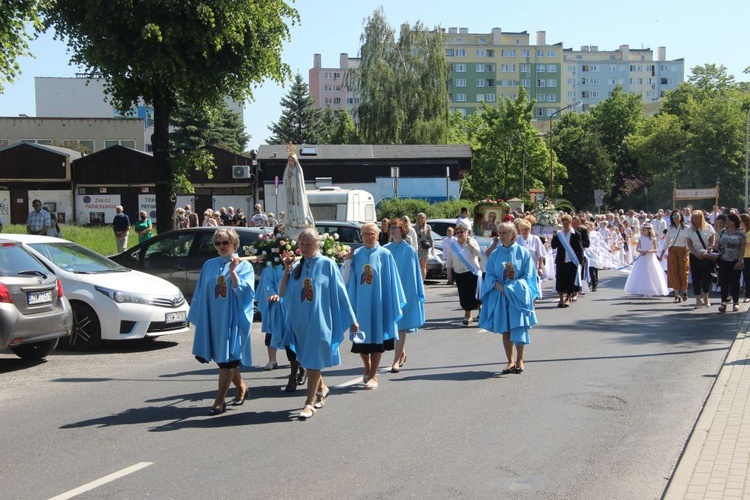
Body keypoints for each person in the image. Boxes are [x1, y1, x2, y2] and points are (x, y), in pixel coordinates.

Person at [279, 228, 359, 419]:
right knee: (308, 361)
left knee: (313, 362)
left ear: (317, 244)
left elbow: (341, 293)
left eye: (309, 244)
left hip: (320, 321)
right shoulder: (298, 266)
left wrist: (352, 319)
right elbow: (282, 292)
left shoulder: (327, 264)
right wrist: (287, 269)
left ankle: (309, 403)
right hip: (300, 323)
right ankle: (322, 389)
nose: (305, 248)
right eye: (302, 244)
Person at [189, 228, 255, 415]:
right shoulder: (209, 265)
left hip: (231, 318)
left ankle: (219, 400)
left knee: (228, 361)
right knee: (223, 359)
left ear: (234, 243)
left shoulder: (244, 265)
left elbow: (246, 293)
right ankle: (241, 387)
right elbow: (202, 292)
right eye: (218, 243)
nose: (221, 246)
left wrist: (233, 272)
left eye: (225, 242)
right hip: (213, 317)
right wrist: (201, 315)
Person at [344, 222, 405, 390]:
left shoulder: (385, 254)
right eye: (365, 234)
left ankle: (373, 375)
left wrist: (390, 301)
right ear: (361, 237)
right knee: (360, 340)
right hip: (360, 304)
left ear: (378, 235)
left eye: (372, 234)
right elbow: (347, 278)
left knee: (377, 340)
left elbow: (391, 280)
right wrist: (347, 260)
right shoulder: (357, 254)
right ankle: (367, 366)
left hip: (378, 303)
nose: (369, 237)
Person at [478, 222, 539, 374]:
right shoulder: (496, 254)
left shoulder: (523, 253)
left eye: (505, 233)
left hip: (517, 296)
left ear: (513, 234)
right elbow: (490, 274)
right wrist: (500, 287)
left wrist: (513, 288)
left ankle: (520, 358)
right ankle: (510, 361)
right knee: (505, 329)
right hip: (502, 296)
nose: (502, 236)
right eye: (500, 233)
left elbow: (529, 276)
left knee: (517, 326)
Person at [384, 219, 425, 373]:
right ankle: (401, 352)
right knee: (391, 325)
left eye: (396, 228)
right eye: (391, 228)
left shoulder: (409, 251)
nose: (393, 230)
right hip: (389, 292)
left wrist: (415, 294)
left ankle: (395, 361)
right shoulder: (385, 249)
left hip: (404, 292)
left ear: (403, 230)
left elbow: (413, 274)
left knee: (400, 325)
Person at [446, 222, 483, 325]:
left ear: (467, 232)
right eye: (457, 232)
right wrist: (449, 273)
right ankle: (468, 314)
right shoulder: (453, 245)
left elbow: (476, 252)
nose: (459, 234)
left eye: (462, 232)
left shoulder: (472, 241)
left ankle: (476, 313)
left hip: (471, 272)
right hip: (458, 273)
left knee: (474, 293)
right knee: (463, 294)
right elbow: (449, 260)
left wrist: (468, 243)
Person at [624, 224, 669, 298]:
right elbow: (637, 248)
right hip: (642, 257)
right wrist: (641, 251)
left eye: (644, 230)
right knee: (642, 273)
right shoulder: (641, 238)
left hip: (650, 257)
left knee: (651, 273)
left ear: (649, 230)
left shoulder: (653, 239)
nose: (643, 231)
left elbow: (655, 249)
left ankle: (650, 291)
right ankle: (644, 291)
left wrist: (648, 251)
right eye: (642, 230)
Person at [551, 214, 585, 308]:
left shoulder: (576, 234)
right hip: (561, 260)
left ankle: (568, 298)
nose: (565, 225)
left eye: (567, 223)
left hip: (571, 260)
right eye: (563, 223)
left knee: (570, 280)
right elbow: (554, 246)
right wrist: (554, 236)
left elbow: (580, 248)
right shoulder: (559, 235)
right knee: (560, 279)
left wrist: (581, 259)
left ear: (570, 223)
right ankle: (561, 298)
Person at [716, 212, 746, 313]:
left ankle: (735, 303)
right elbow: (719, 244)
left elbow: (742, 248)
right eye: (727, 220)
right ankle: (723, 302)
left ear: (734, 221)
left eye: (729, 220)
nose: (727, 222)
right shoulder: (723, 232)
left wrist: (740, 260)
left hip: (735, 260)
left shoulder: (740, 233)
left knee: (735, 282)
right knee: (724, 282)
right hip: (724, 260)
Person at [687, 210, 717, 309]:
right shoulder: (690, 229)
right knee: (696, 277)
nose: (695, 220)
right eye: (693, 217)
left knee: (706, 277)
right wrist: (696, 253)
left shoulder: (708, 227)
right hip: (694, 255)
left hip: (706, 255)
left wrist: (708, 250)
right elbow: (689, 244)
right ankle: (697, 299)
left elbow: (712, 241)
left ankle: (706, 297)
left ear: (701, 217)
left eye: (697, 217)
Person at [283, 148, 315, 238]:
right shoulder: (287, 170)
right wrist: (288, 178)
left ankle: (301, 222)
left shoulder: (298, 169)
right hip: (290, 192)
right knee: (290, 207)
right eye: (289, 160)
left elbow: (299, 181)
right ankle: (291, 222)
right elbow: (285, 181)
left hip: (298, 193)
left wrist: (292, 177)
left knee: (299, 207)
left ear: (295, 160)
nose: (290, 162)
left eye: (292, 160)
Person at [660, 210, 690, 303]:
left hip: (683, 250)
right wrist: (662, 253)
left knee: (683, 272)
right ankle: (677, 295)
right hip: (672, 250)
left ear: (681, 217)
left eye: (677, 216)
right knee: (673, 272)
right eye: (673, 217)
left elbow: (689, 241)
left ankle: (684, 290)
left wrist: (688, 251)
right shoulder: (671, 228)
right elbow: (667, 241)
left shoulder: (686, 228)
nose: (675, 218)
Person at [517, 219, 545, 296]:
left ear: (529, 229)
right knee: (522, 292)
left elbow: (540, 256)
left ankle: (532, 307)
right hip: (520, 269)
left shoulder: (535, 239)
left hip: (533, 269)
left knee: (532, 291)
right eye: (522, 229)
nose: (524, 231)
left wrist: (540, 268)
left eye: (526, 229)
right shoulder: (517, 239)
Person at [415, 213, 434, 282]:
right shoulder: (414, 227)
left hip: (424, 248)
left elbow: (430, 238)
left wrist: (433, 249)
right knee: (417, 266)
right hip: (417, 248)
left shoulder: (427, 227)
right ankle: (417, 280)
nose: (422, 219)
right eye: (420, 217)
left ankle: (422, 281)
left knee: (423, 266)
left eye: (423, 217)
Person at [741, 213, 750, 303]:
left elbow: (748, 244)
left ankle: (748, 295)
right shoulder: (740, 232)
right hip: (740, 256)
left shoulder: (749, 232)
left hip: (748, 256)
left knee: (747, 277)